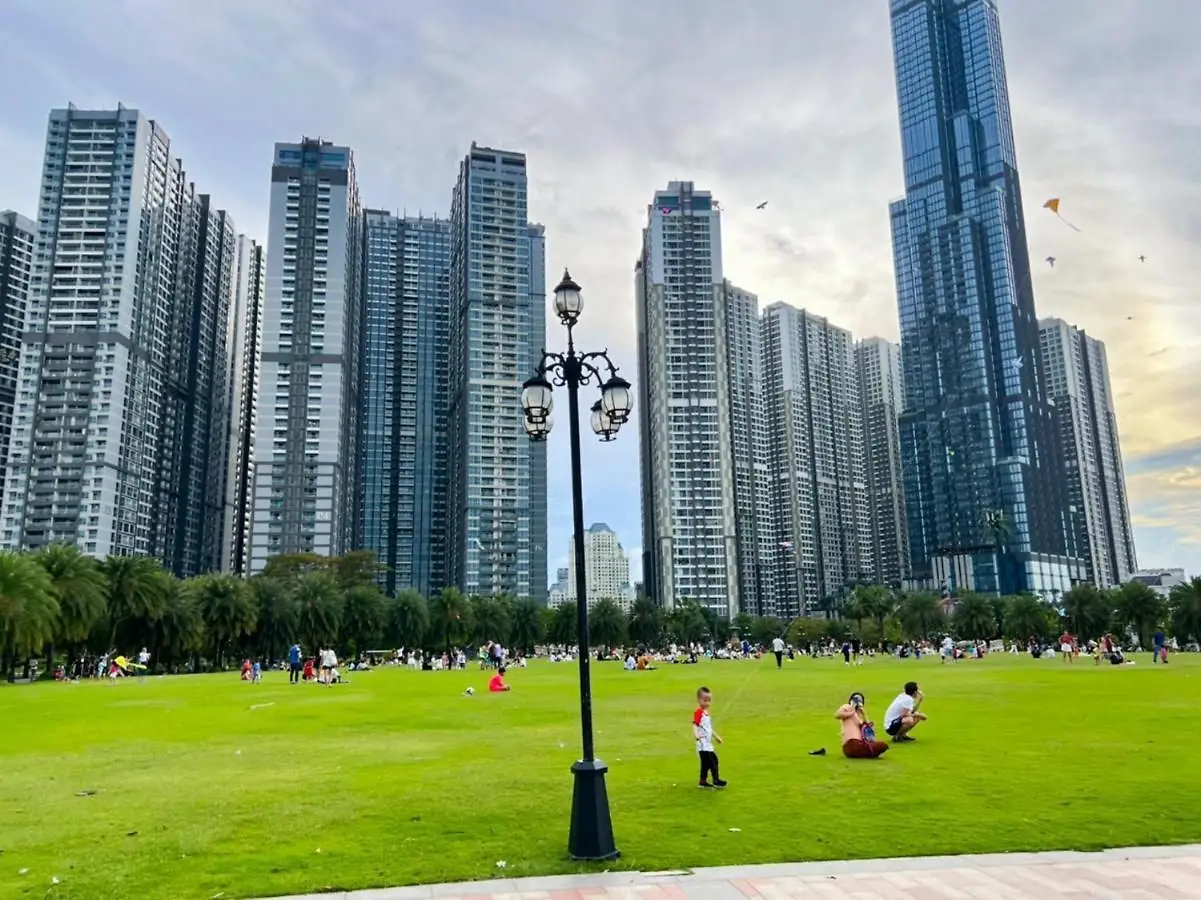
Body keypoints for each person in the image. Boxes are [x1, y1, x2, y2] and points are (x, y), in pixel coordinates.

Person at [836, 692, 889, 759]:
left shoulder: (859, 715)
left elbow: (870, 732)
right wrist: (852, 711)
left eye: (860, 700)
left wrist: (864, 714)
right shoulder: (848, 707)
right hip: (851, 743)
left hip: (860, 744)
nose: (857, 702)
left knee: (882, 745)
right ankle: (869, 753)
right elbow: (838, 715)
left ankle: (868, 753)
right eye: (856, 699)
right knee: (882, 745)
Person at [692, 686, 727, 788]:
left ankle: (702, 782)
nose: (707, 703)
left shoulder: (706, 713)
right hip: (703, 744)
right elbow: (695, 724)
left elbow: (709, 728)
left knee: (706, 764)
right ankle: (716, 780)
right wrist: (696, 734)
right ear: (699, 700)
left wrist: (716, 737)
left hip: (708, 744)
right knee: (713, 761)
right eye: (705, 700)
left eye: (709, 700)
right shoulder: (699, 712)